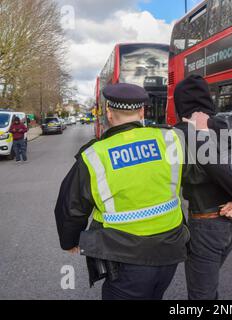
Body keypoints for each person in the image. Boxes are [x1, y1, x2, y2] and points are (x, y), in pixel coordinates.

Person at [54, 83, 189, 300]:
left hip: (125, 256)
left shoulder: (95, 154)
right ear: (142, 111)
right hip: (170, 249)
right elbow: (194, 174)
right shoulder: (170, 139)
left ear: (108, 112)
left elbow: (71, 205)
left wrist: (70, 241)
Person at [173, 75, 232, 300]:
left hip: (206, 223)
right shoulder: (231, 124)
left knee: (201, 294)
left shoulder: (179, 134)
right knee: (208, 287)